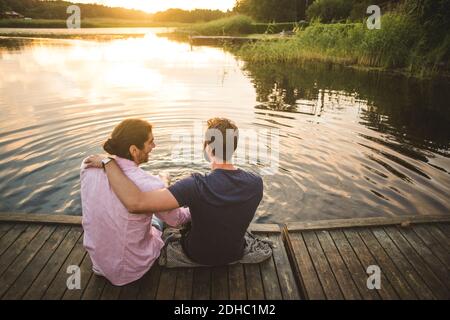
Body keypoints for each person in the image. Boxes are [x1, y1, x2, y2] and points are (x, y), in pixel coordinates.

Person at [85, 118, 264, 266]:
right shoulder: (256, 183)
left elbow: (136, 203)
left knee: (162, 221)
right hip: (234, 253)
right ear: (234, 147)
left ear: (208, 148)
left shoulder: (194, 184)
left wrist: (108, 163)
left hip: (197, 254)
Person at [80, 119, 190, 286]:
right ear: (133, 150)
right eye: (150, 142)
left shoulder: (88, 166)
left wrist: (161, 187)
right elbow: (176, 220)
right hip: (132, 268)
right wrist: (195, 204)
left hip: (99, 263)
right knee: (158, 220)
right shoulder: (150, 185)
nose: (154, 146)